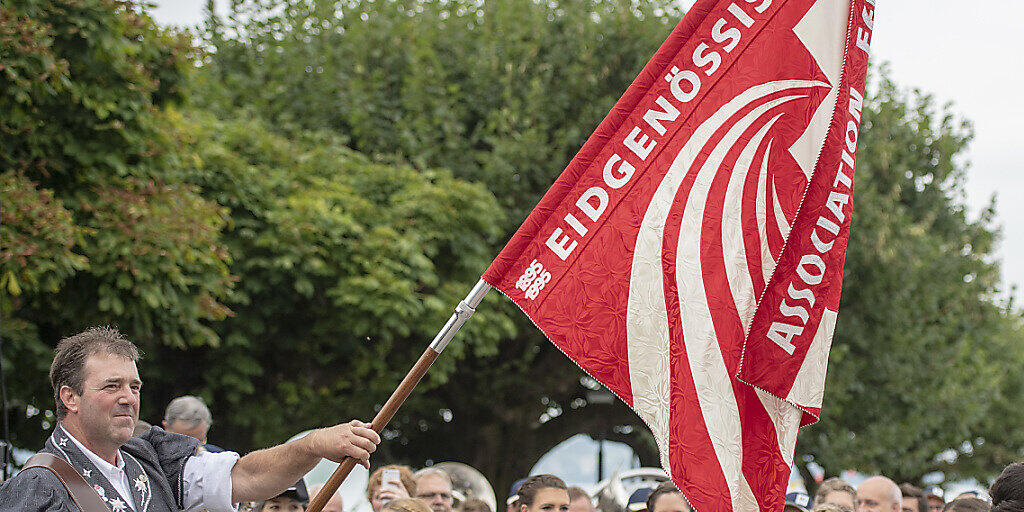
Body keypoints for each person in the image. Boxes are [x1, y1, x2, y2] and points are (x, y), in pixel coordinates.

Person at [0, 326, 381, 512]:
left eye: (134, 386)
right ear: (70, 397)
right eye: (112, 386)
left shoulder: (152, 457)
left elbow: (247, 477)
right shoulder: (35, 489)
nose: (128, 398)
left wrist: (314, 445)